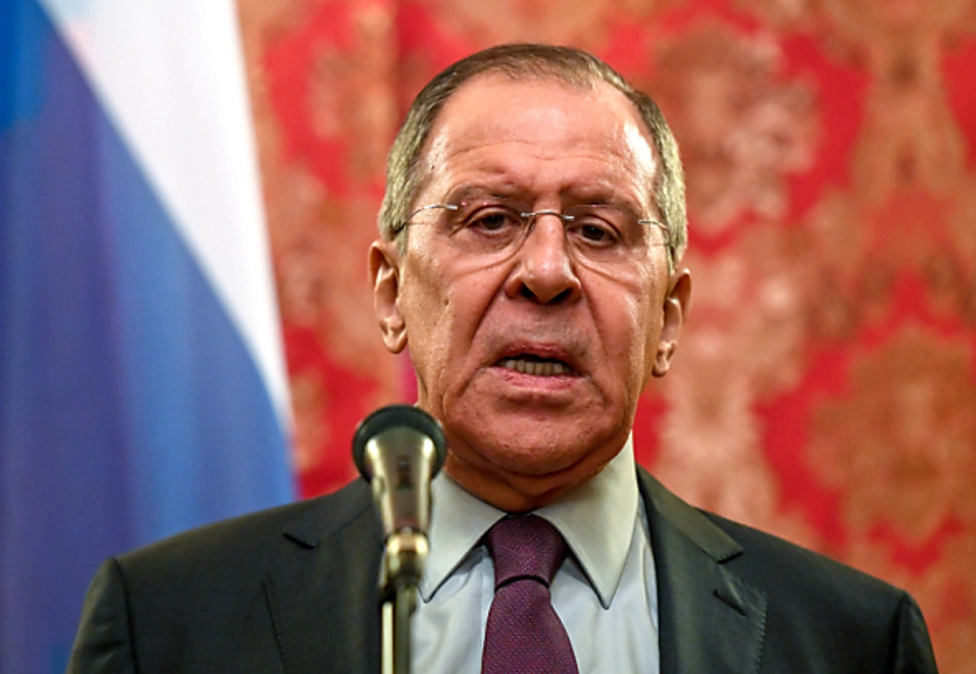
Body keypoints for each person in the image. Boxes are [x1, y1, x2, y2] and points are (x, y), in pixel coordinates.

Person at [67, 44, 937, 673]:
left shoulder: (851, 642)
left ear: (668, 318)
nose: (547, 272)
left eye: (598, 230)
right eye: (488, 220)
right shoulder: (169, 624)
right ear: (390, 294)